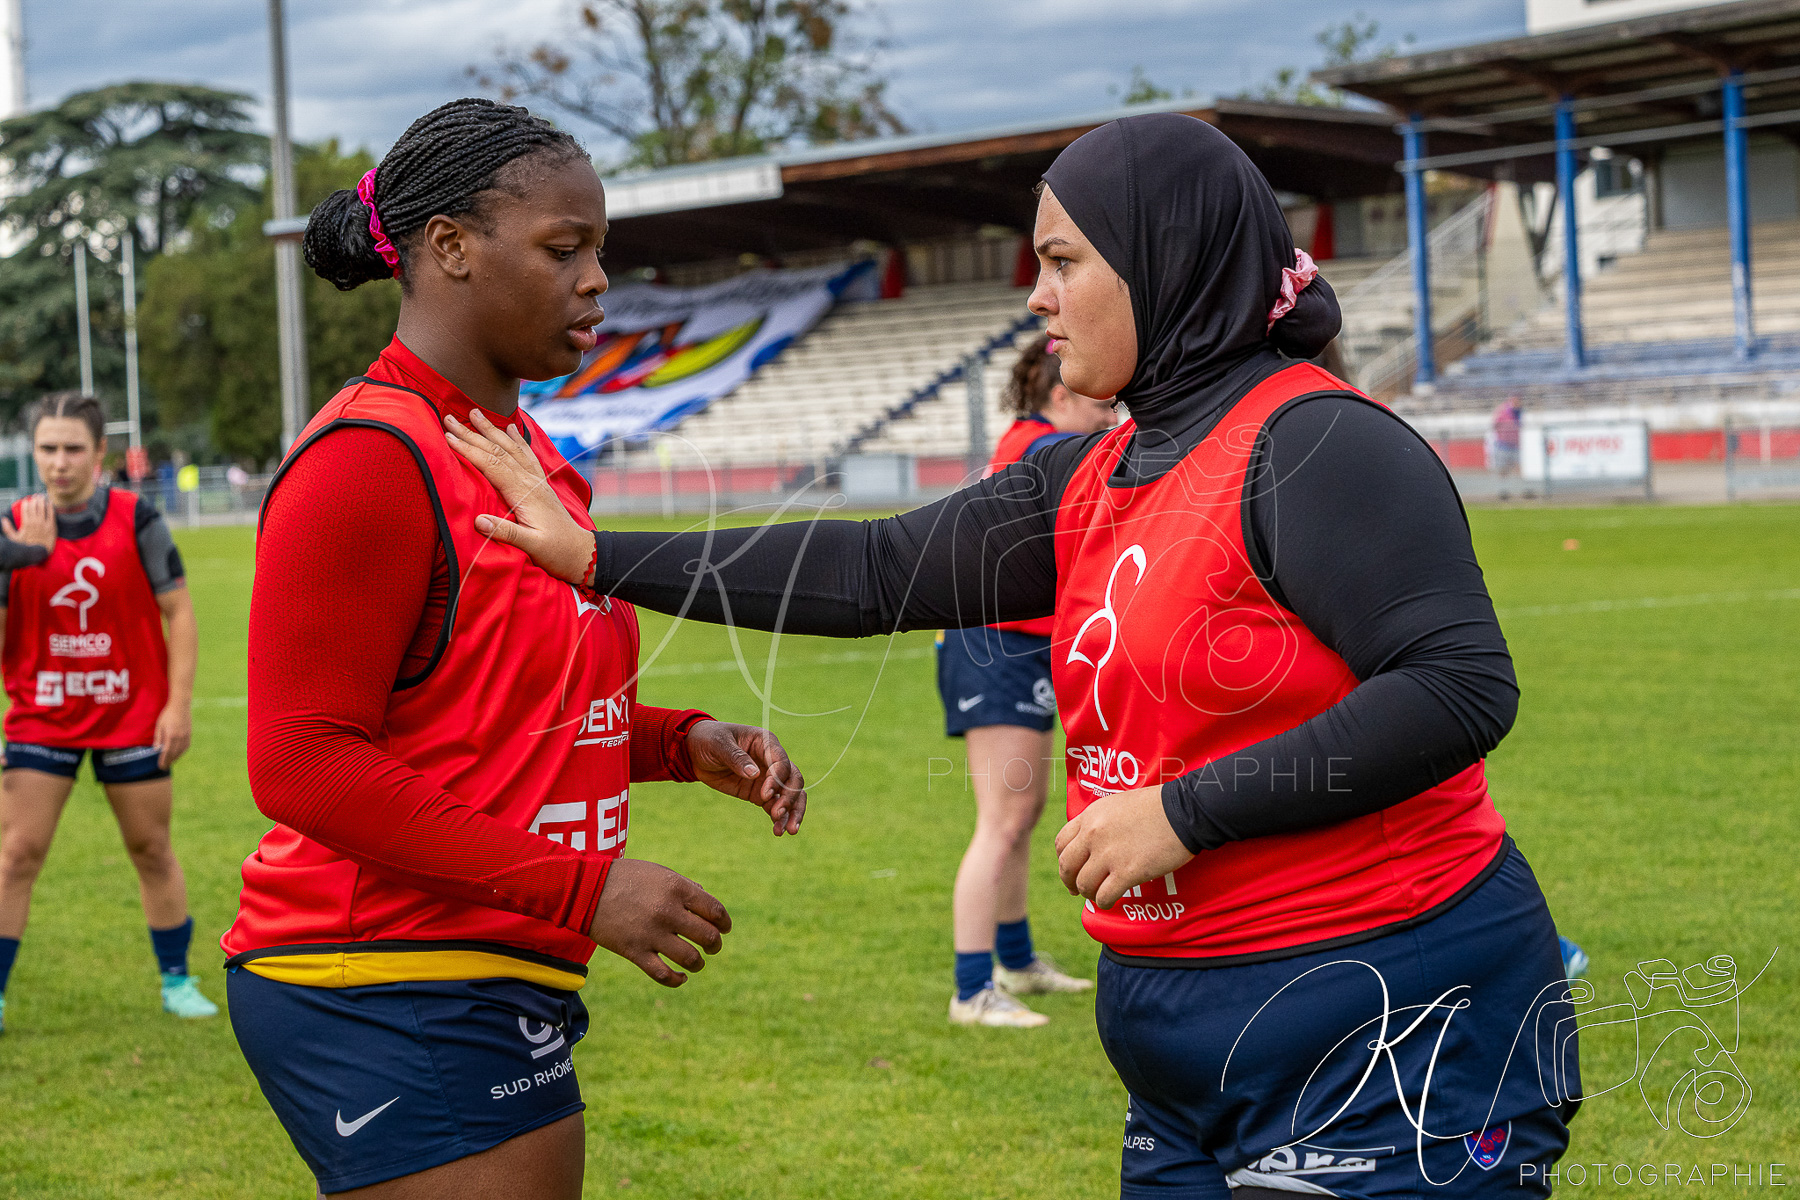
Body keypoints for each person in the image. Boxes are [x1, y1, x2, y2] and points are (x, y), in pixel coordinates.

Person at [455, 113, 1581, 1199]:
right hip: (1184, 1050)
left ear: (1165, 261)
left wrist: (1184, 812)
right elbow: (875, 571)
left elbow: (1457, 688)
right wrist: (598, 557)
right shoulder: (1092, 474)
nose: (1036, 295)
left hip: (1384, 1020)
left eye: (1062, 260)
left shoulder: (1317, 441)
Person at [225, 99, 807, 1199]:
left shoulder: (517, 451)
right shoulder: (365, 457)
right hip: (377, 971)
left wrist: (681, 743)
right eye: (562, 249)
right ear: (450, 246)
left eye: (599, 250)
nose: (598, 281)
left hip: (483, 964)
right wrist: (581, 888)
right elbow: (301, 759)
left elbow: (501, 709)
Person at [0, 392, 212, 1033]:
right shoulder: (11, 525)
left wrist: (177, 705)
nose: (59, 462)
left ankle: (177, 981)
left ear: (99, 453)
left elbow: (180, 611)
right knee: (17, 853)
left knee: (151, 848)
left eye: (73, 449)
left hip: (131, 713)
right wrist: (23, 558)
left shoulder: (137, 517)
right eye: (47, 449)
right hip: (43, 714)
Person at [941, 336, 1116, 1028]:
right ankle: (971, 989)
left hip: (1017, 644)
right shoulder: (1043, 446)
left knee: (1023, 814)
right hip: (996, 646)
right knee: (1002, 820)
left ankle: (1014, 961)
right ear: (1059, 396)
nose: (1109, 416)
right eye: (1100, 406)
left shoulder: (1033, 441)